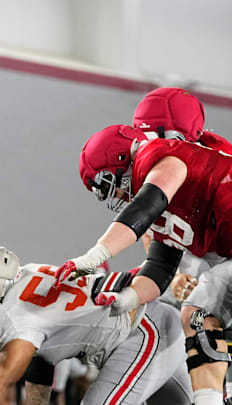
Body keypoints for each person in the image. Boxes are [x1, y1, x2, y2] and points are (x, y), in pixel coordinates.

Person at [57, 123, 232, 405]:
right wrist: (128, 298)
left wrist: (95, 256)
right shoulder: (170, 208)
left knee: (198, 311)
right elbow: (160, 270)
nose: (113, 196)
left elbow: (144, 207)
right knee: (203, 320)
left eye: (106, 185)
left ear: (120, 159)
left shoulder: (162, 156)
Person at [0, 243, 192, 405]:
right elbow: (39, 367)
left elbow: (0, 379)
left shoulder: (15, 316)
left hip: (142, 334)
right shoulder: (30, 274)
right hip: (154, 323)